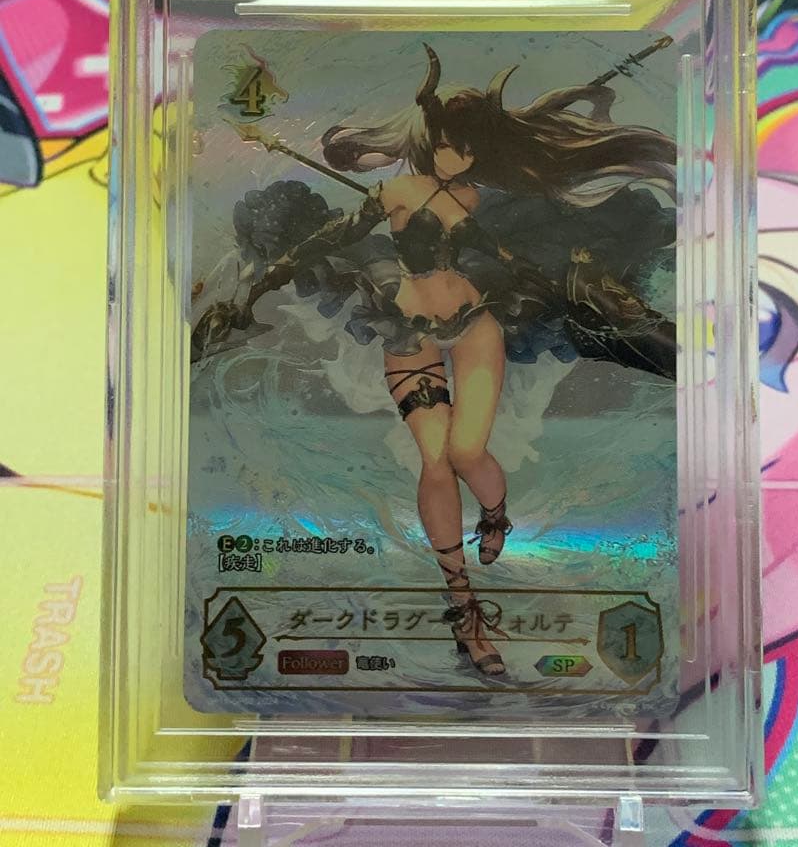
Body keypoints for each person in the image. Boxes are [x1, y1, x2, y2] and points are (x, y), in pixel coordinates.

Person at [195, 44, 677, 678]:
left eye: (467, 150)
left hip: (473, 324)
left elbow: (512, 243)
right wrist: (262, 283)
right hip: (408, 331)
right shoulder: (396, 191)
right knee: (435, 458)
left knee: (467, 452)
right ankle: (464, 610)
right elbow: (330, 237)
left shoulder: (479, 200)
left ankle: (495, 515)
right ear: (431, 144)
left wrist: (530, 266)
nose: (456, 159)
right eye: (448, 146)